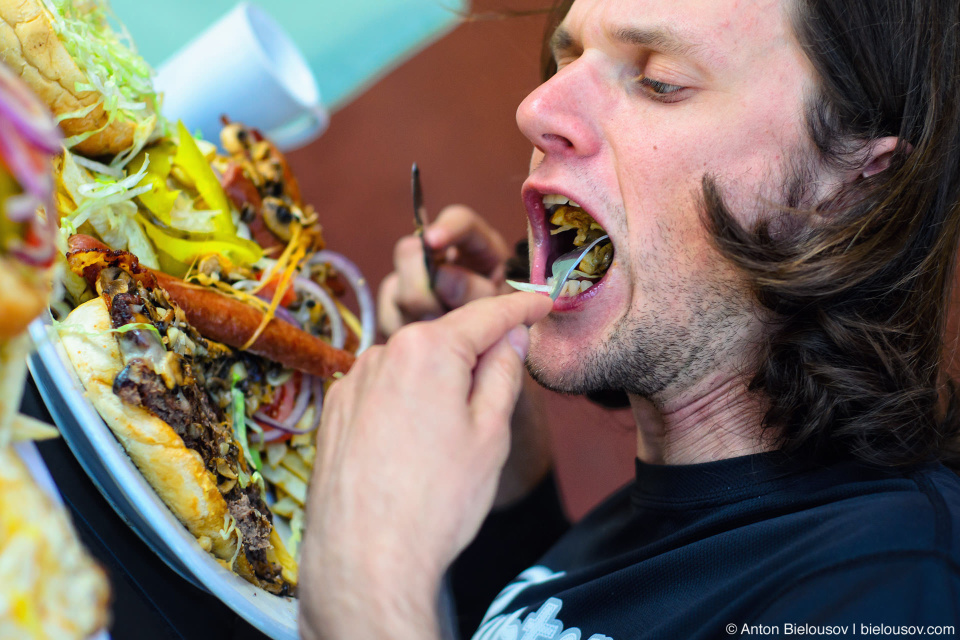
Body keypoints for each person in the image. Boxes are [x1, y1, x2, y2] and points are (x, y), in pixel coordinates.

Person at [299, 0, 960, 638]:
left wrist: (364, 593)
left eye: (658, 81)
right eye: (567, 58)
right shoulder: (653, 524)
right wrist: (511, 490)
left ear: (854, 190)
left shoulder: (894, 582)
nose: (535, 109)